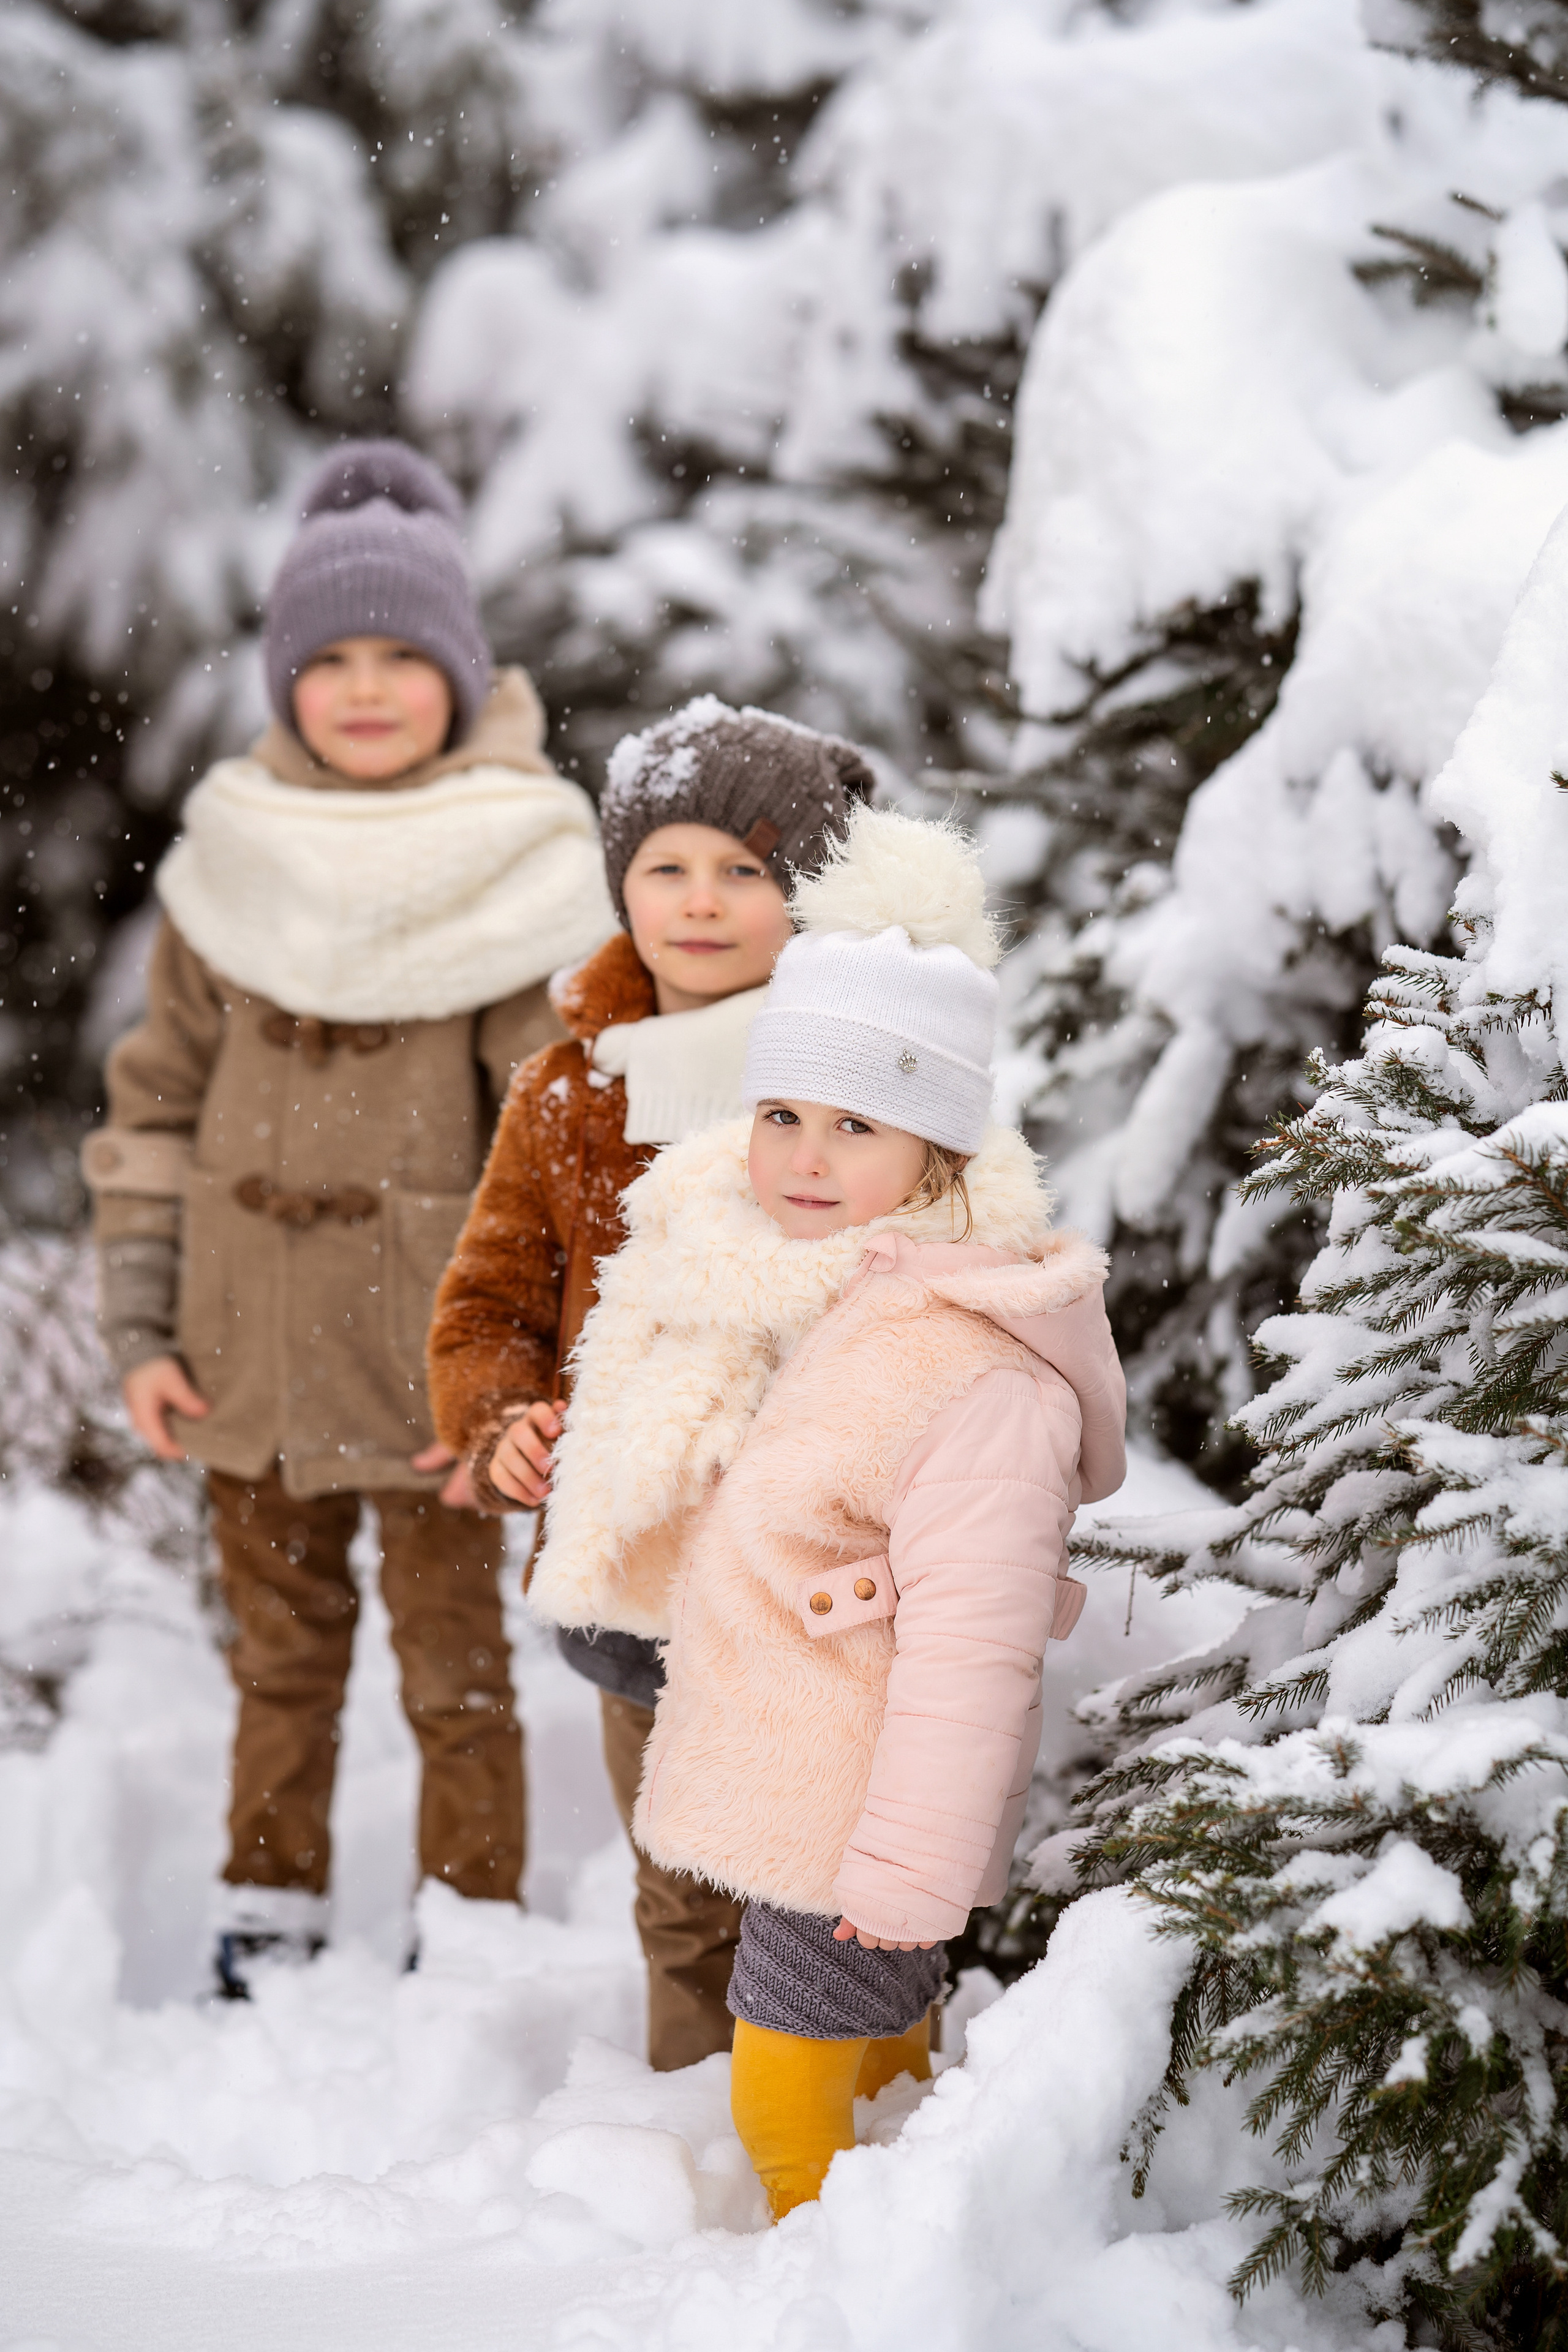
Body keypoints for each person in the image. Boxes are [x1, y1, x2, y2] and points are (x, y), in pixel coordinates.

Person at [527, 801, 1126, 2216]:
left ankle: (833, 2292)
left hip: (856, 1827)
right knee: (875, 2088)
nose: (801, 1153)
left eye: (853, 1124)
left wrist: (909, 1875)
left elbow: (973, 1648)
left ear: (934, 1160)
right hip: (799, 1796)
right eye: (781, 1113)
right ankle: (883, 2250)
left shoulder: (975, 1367)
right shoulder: (816, 1296)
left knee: (786, 2116)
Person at [84, 439, 617, 1996]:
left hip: (434, 1377)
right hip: (243, 1359)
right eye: (330, 660)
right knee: (278, 1662)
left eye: (404, 657)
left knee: (457, 1677)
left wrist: (531, 1375)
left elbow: (560, 1160)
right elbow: (153, 1116)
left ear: (460, 674)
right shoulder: (231, 859)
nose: (368, 689)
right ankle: (269, 1909)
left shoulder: (514, 865)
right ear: (282, 679)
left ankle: (469, 1931)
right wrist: (135, 1325)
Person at [424, 696, 874, 2069]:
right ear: (620, 884)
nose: (702, 902)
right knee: (682, 1878)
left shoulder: (858, 1077)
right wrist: (502, 1421)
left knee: (826, 1866)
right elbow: (490, 1299)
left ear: (810, 894)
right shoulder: (569, 1093)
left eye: (748, 870)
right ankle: (699, 2117)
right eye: (666, 868)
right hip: (640, 1555)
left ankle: (849, 2119)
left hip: (817, 1552)